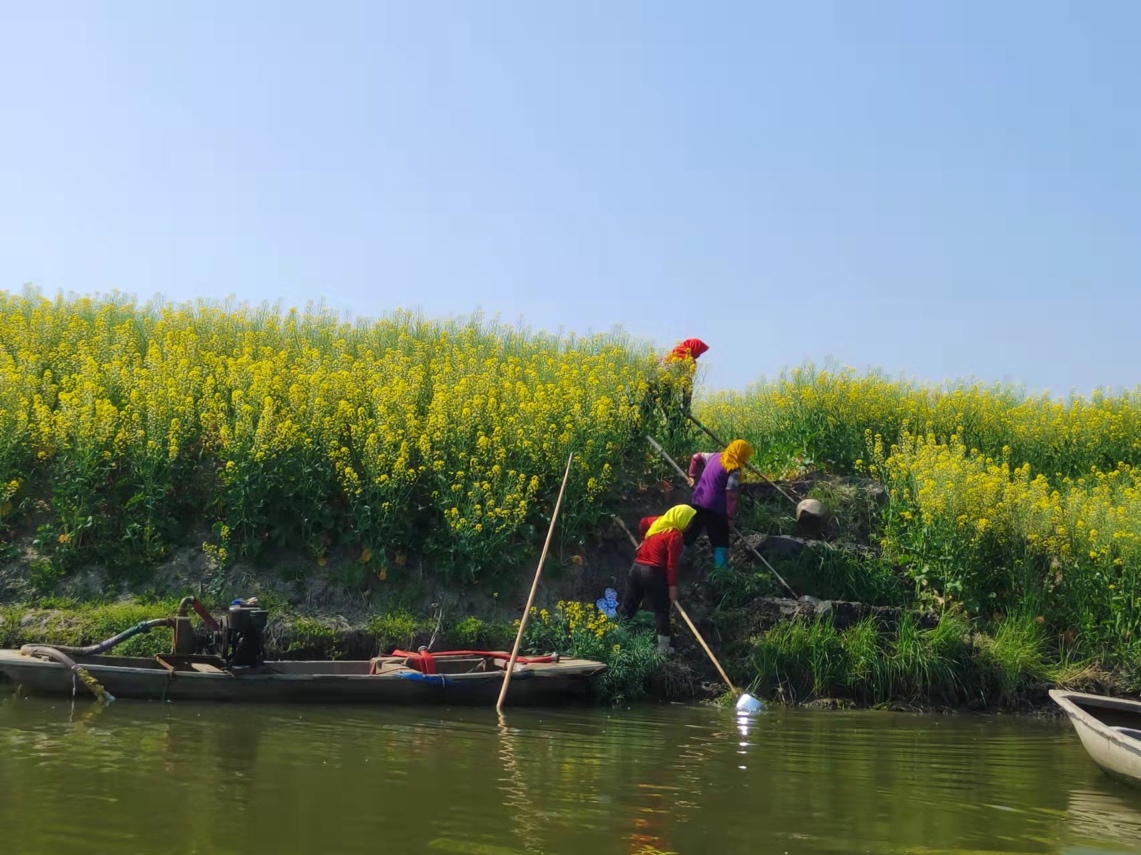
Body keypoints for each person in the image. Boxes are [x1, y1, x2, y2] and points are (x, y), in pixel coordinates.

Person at [619, 504, 696, 656]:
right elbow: (671, 565)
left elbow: (642, 522)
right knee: (661, 610)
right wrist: (672, 587)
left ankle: (616, 639)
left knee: (628, 606)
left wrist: (643, 539)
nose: (690, 525)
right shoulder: (675, 536)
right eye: (689, 521)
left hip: (636, 568)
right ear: (682, 519)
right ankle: (663, 649)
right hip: (653, 572)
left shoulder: (658, 522)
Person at [685, 439, 754, 569]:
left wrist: (692, 476)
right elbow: (731, 496)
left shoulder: (714, 456)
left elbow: (696, 457)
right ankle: (721, 572)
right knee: (720, 540)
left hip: (698, 501)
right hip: (715, 509)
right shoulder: (734, 470)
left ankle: (678, 561)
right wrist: (730, 518)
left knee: (690, 532)